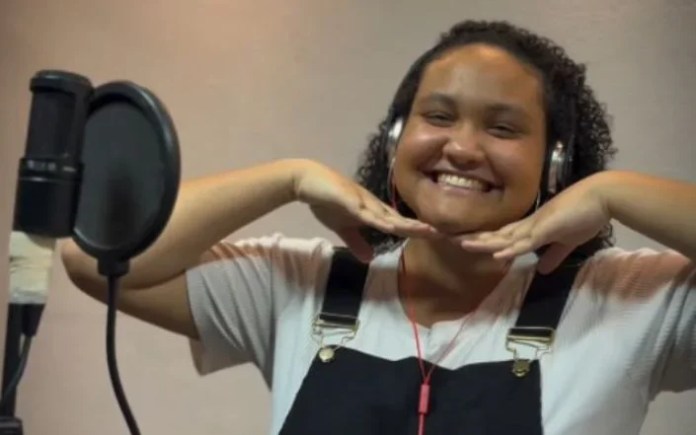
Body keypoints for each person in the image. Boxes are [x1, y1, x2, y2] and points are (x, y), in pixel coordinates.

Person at [61, 20, 696, 435]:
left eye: (502, 128)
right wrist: (288, 178)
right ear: (396, 139)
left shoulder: (626, 301)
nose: (462, 148)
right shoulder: (303, 285)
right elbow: (91, 256)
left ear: (554, 164)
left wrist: (613, 192)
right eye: (437, 117)